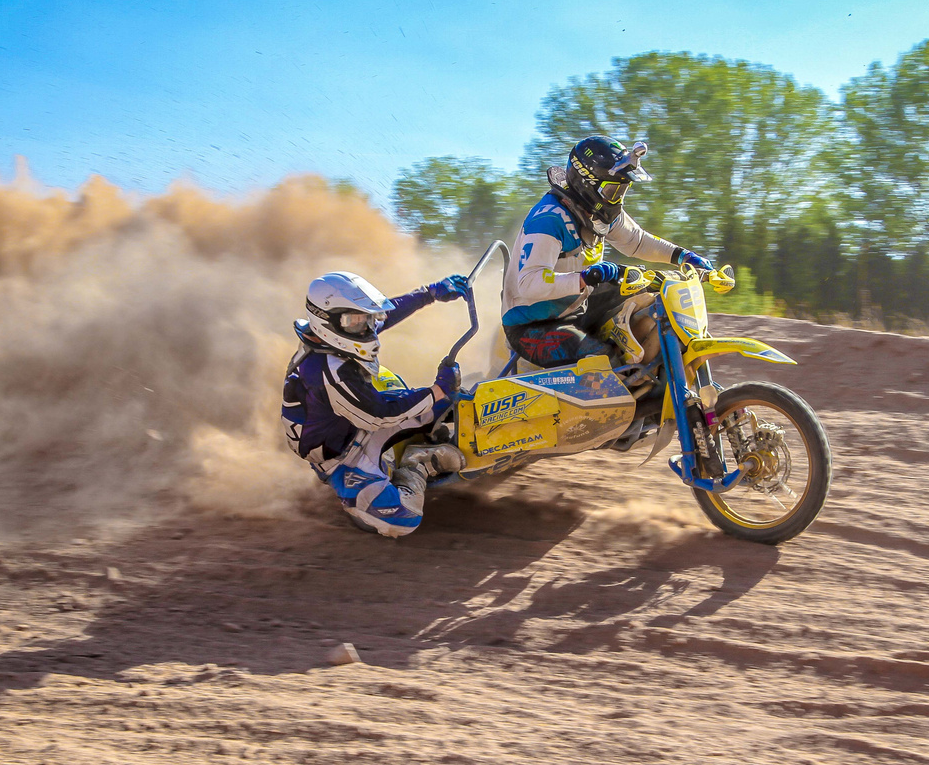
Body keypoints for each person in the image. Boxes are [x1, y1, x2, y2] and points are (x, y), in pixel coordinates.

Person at [501, 135, 717, 370]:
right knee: (602, 360)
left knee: (658, 306)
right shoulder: (549, 220)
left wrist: (683, 257)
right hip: (533, 324)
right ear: (588, 183)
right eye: (613, 189)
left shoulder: (597, 210)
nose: (618, 198)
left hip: (577, 304)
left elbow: (638, 241)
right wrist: (585, 278)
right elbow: (529, 283)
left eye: (623, 189)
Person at [282, 270, 469, 538]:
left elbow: (386, 317)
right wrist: (437, 389)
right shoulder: (327, 370)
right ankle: (417, 463)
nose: (366, 327)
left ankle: (407, 447)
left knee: (444, 405)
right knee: (401, 520)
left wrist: (430, 292)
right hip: (341, 455)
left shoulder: (333, 335)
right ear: (326, 320)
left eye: (367, 318)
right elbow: (378, 415)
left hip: (352, 421)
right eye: (356, 320)